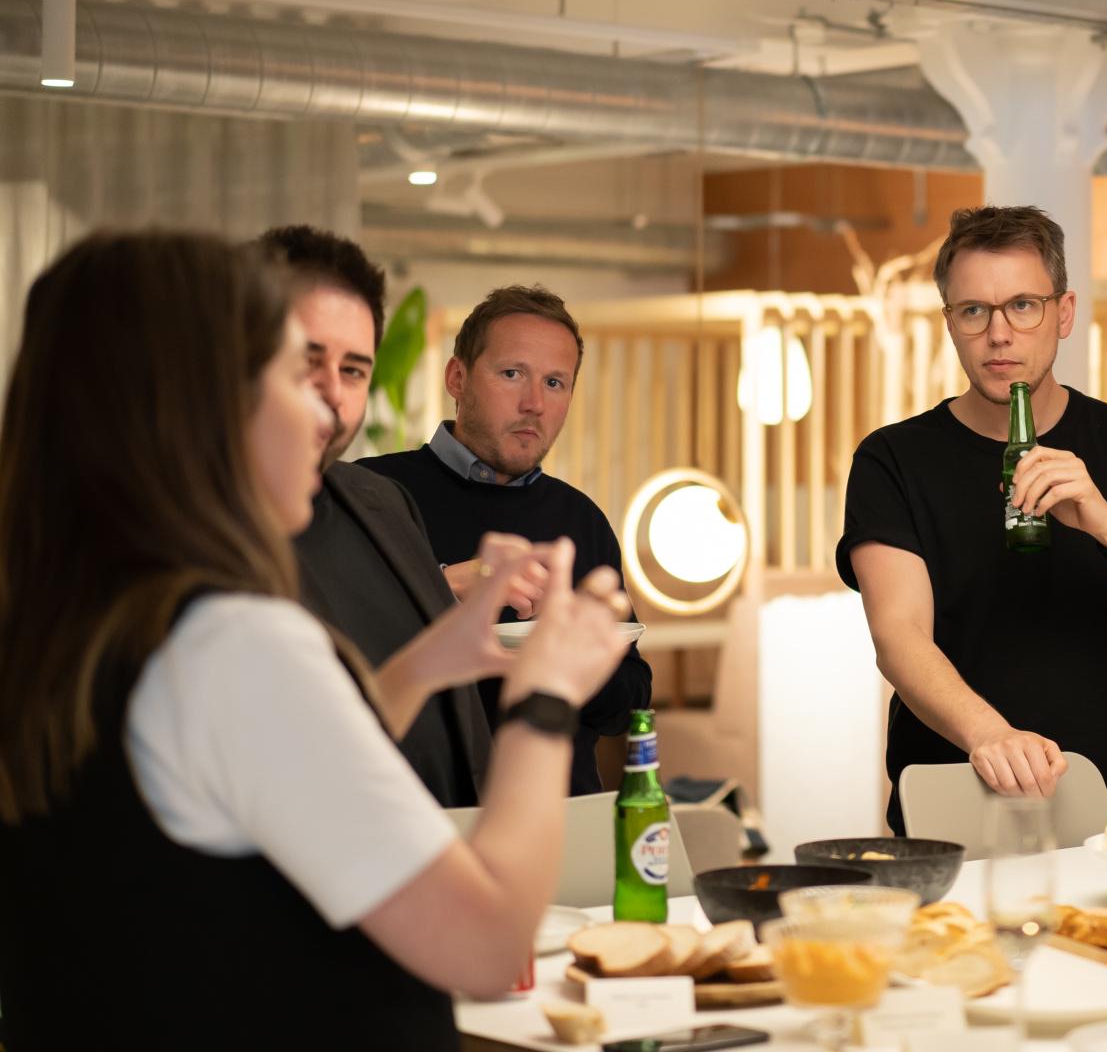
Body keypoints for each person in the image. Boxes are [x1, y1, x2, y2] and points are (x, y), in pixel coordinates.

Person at [0, 232, 635, 1050]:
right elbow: (487, 947)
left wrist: (430, 659)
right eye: (286, 373)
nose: (323, 410)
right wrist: (544, 698)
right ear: (194, 401)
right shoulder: (227, 644)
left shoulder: (73, 621)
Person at [837, 205, 1107, 834]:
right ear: (951, 323)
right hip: (950, 804)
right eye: (974, 311)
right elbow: (899, 635)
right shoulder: (893, 460)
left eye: (1023, 305)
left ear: (1063, 313)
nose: (999, 333)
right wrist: (992, 737)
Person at [361, 284, 651, 794]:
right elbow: (331, 658)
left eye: (555, 382)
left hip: (558, 815)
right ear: (457, 377)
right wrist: (441, 587)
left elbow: (629, 705)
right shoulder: (371, 494)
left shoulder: (582, 520)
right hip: (416, 813)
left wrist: (581, 655)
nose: (535, 403)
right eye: (512, 374)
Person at [260, 225, 493, 807]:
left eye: (354, 370)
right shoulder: (196, 542)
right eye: (307, 361)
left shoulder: (382, 501)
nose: (332, 395)